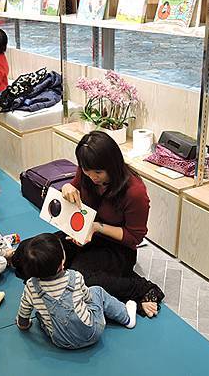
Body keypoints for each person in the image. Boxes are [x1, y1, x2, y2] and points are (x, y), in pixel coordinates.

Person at [57, 131, 164, 317]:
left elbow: (135, 237)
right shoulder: (87, 171)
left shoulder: (135, 192)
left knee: (80, 278)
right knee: (41, 251)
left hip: (118, 247)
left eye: (98, 172)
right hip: (86, 235)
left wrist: (97, 227)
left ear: (112, 165)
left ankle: (143, 289)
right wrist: (67, 187)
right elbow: (74, 186)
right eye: (86, 171)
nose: (92, 177)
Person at [15, 233, 136, 349]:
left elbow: (24, 310)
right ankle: (126, 318)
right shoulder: (75, 277)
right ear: (62, 263)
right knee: (97, 291)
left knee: (40, 316)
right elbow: (88, 298)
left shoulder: (31, 286)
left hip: (61, 341)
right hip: (93, 333)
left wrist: (23, 324)